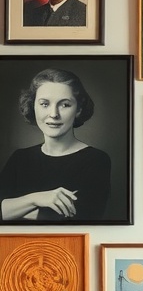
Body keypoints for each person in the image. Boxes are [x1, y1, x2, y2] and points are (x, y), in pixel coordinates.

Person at [0, 67, 111, 223]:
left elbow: (77, 219)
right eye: (44, 104)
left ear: (78, 109)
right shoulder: (20, 158)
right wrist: (37, 199)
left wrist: (15, 209)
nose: (53, 114)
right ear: (33, 106)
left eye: (64, 105)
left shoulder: (96, 160)